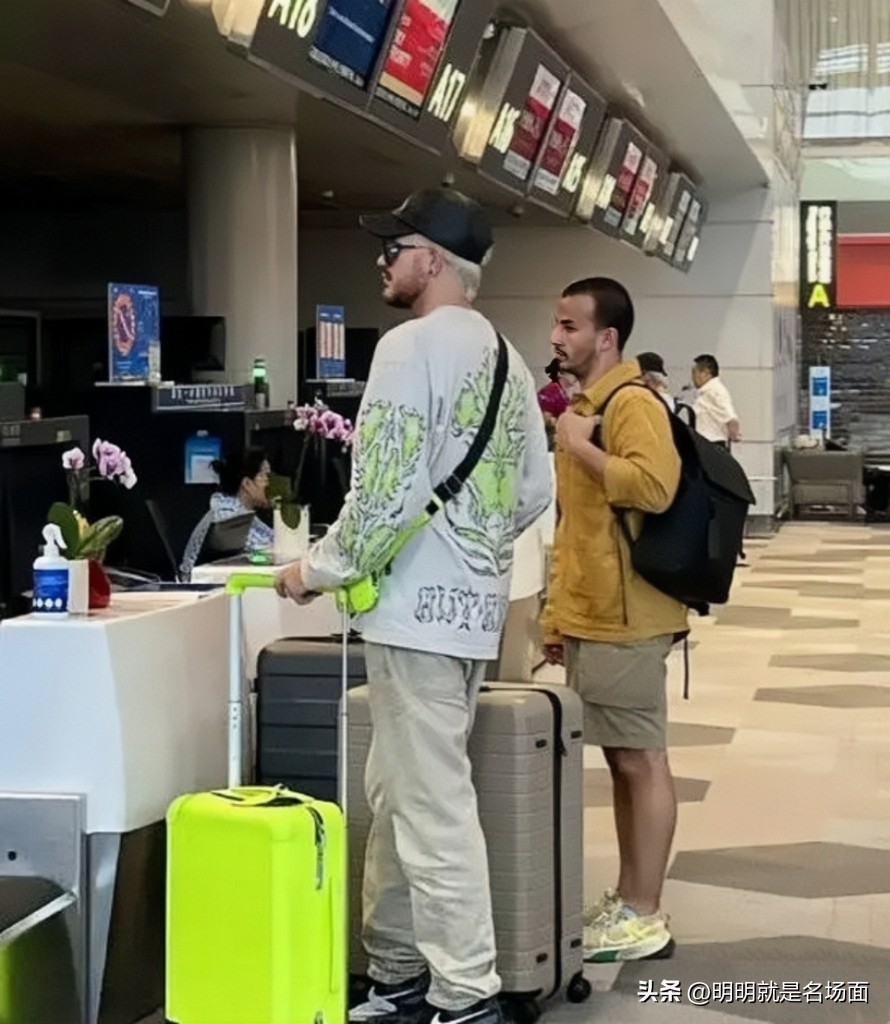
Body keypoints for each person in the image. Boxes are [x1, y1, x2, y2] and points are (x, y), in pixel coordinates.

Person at [276, 188, 552, 1024]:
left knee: (430, 806)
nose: (382, 260)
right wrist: (471, 550)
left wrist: (317, 570)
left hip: (412, 617)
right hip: (473, 612)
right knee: (400, 790)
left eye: (393, 248)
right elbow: (534, 490)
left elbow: (383, 490)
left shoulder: (407, 348)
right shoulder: (508, 358)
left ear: (431, 260)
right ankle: (398, 969)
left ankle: (465, 994)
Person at [540, 277, 687, 963]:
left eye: (569, 326)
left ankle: (646, 912)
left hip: (629, 614)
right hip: (595, 611)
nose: (555, 337)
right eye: (556, 323)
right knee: (621, 758)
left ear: (607, 337)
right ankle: (630, 898)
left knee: (641, 759)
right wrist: (558, 615)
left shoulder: (631, 404)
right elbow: (574, 528)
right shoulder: (587, 406)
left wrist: (581, 447)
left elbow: (654, 489)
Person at [179, 448, 272, 578]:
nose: (270, 483)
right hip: (200, 584)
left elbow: (271, 541)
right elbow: (263, 549)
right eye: (266, 476)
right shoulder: (228, 513)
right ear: (247, 483)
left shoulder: (242, 510)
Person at [691, 354, 741, 448]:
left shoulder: (715, 391)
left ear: (705, 373)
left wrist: (734, 435)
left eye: (694, 372)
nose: (692, 377)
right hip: (705, 444)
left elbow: (731, 417)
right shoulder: (706, 392)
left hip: (713, 444)